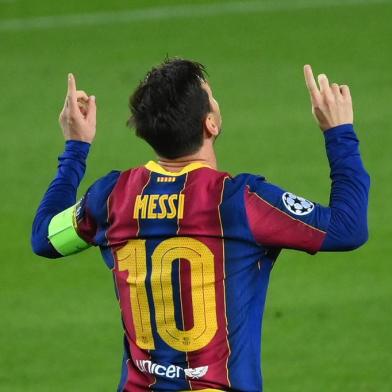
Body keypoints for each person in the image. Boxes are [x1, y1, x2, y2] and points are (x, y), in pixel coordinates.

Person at [31, 59, 370, 392]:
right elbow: (347, 227)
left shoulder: (110, 197)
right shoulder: (239, 201)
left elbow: (44, 238)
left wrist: (76, 148)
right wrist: (338, 133)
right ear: (210, 124)